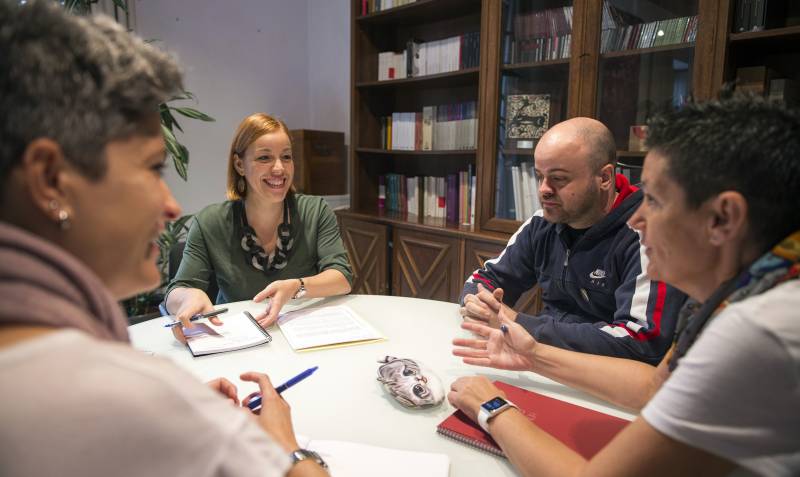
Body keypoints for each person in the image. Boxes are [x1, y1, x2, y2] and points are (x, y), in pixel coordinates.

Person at [0, 2, 327, 475]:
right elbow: (182, 289)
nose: (172, 206)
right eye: (153, 168)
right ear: (50, 179)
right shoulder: (124, 397)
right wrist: (290, 452)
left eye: (286, 158)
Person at [449, 96, 800, 476]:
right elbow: (652, 388)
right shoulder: (740, 293)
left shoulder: (758, 330)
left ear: (722, 218)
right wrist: (533, 355)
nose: (637, 219)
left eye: (654, 199)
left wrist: (493, 407)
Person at [461, 117, 686, 364]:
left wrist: (518, 324)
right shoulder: (541, 224)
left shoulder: (646, 236)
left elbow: (641, 341)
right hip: (539, 362)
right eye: (539, 176)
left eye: (558, 178)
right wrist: (478, 304)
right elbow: (483, 279)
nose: (543, 189)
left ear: (605, 178)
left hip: (604, 382)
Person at [165, 113, 353, 328]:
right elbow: (176, 292)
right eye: (264, 158)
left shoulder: (316, 210)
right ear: (239, 165)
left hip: (302, 333)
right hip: (238, 337)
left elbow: (342, 278)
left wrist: (297, 286)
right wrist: (188, 297)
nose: (279, 168)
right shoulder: (210, 222)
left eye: (286, 156)